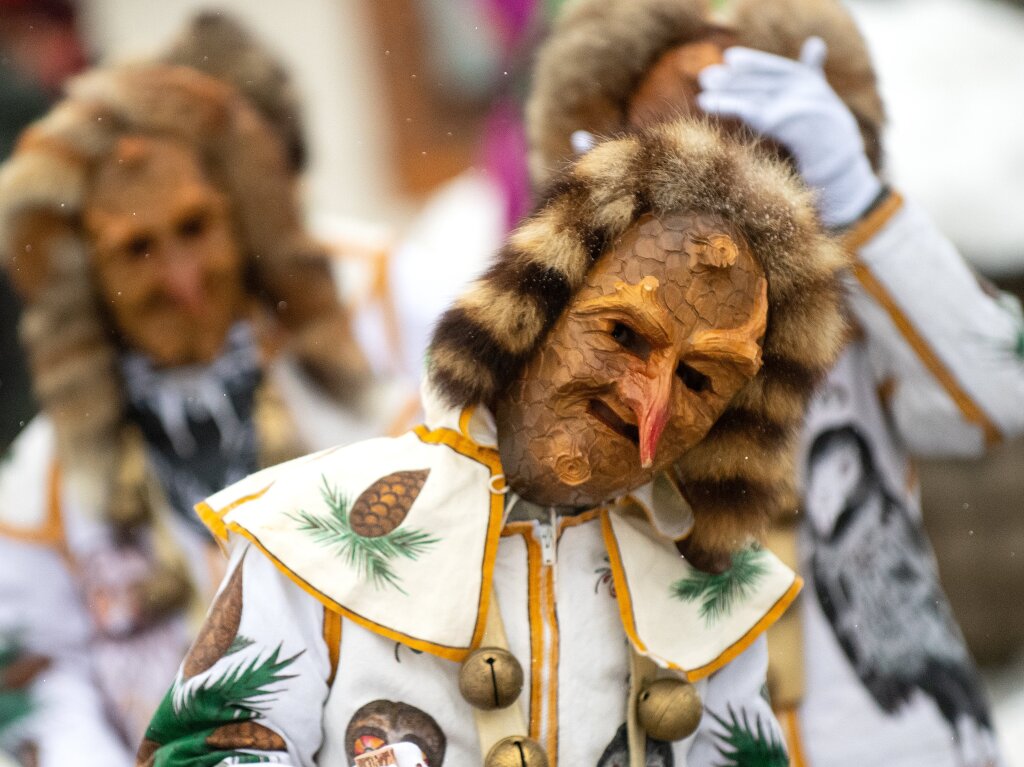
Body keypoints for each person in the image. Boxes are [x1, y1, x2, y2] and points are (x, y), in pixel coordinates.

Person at [138, 117, 848, 766]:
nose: (648, 406)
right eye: (623, 334)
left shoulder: (709, 589)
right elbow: (208, 748)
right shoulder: (307, 530)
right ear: (537, 311)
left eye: (698, 379)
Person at [525, 1, 1024, 765]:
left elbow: (999, 395)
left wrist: (857, 200)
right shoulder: (569, 321)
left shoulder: (863, 308)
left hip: (897, 732)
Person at [0, 62, 399, 766]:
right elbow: (40, 679)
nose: (182, 280)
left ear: (240, 219)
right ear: (88, 275)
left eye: (195, 226)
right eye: (138, 249)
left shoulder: (380, 327)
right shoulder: (46, 481)